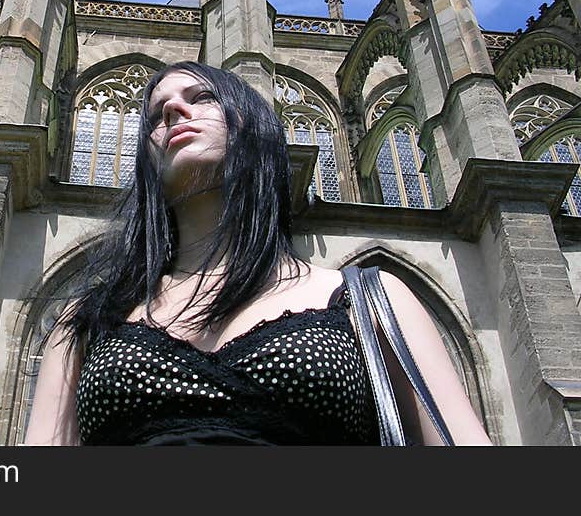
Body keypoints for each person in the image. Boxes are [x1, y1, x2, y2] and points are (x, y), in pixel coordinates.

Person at [25, 61, 492, 445]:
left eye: (201, 97)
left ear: (252, 125)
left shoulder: (371, 299)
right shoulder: (86, 321)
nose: (172, 110)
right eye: (153, 115)